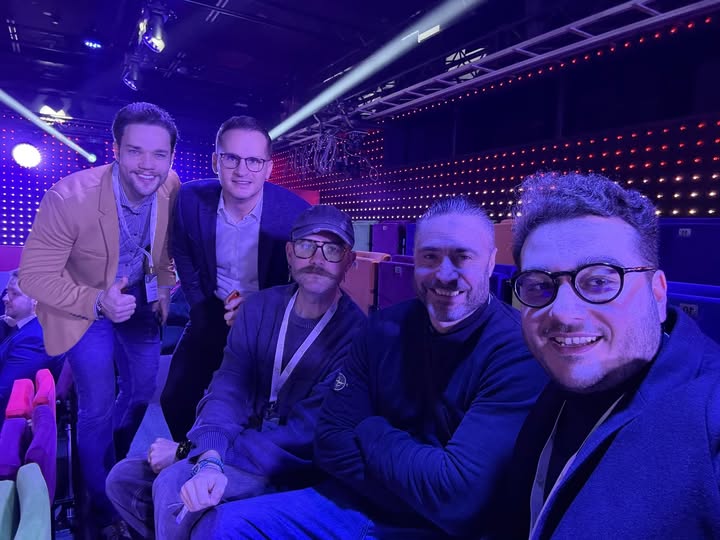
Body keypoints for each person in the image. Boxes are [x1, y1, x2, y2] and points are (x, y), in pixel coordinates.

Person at [191, 196, 547, 539]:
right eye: (430, 256)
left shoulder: (516, 349)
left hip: (437, 529)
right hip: (352, 503)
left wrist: (371, 429)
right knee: (223, 527)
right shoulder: (383, 327)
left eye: (462, 257)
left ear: (491, 261)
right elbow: (329, 442)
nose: (444, 273)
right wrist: (422, 482)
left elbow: (459, 499)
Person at [106, 205, 366, 539]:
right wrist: (209, 456)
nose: (317, 258)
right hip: (237, 449)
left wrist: (188, 452)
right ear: (290, 254)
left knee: (173, 484)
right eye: (306, 245)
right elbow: (227, 390)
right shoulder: (259, 307)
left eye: (332, 249)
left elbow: (304, 435)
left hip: (290, 465)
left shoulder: (358, 336)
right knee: (124, 479)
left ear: (349, 261)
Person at [499, 173, 720, 539]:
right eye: (539, 286)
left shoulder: (711, 416)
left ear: (658, 293)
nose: (563, 313)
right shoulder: (558, 386)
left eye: (599, 281)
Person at [19, 102, 180, 538]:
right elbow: (33, 276)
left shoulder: (170, 185)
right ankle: (105, 508)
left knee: (142, 391)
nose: (147, 165)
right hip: (85, 306)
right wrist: (96, 302)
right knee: (96, 407)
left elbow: (164, 249)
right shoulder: (69, 197)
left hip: (138, 302)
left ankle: (111, 465)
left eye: (159, 154)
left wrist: (164, 287)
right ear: (116, 150)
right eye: (135, 151)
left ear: (170, 157)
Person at [161, 115, 310, 442]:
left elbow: (307, 280)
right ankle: (191, 455)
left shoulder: (295, 213)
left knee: (255, 409)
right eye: (232, 158)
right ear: (216, 161)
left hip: (269, 320)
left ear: (268, 169)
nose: (242, 170)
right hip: (211, 310)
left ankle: (229, 463)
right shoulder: (189, 199)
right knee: (174, 399)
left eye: (254, 161)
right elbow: (181, 249)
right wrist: (198, 305)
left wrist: (260, 309)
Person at [0, 270, 63, 425]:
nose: (5, 298)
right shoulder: (23, 328)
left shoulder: (33, 339)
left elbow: (5, 393)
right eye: (7, 292)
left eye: (14, 294)